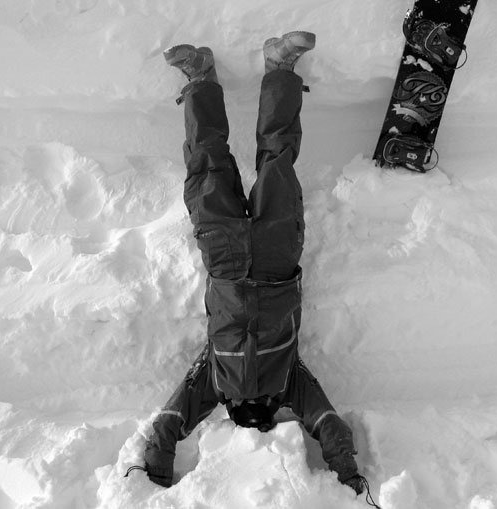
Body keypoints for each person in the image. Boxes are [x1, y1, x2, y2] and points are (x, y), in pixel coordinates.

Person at [135, 31, 368, 496]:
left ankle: (200, 77)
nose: (256, 420)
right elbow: (327, 423)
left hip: (224, 261)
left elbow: (169, 422)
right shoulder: (291, 383)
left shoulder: (212, 382)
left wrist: (156, 473)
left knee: (207, 166)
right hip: (277, 258)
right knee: (278, 161)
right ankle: (280, 68)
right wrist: (346, 472)